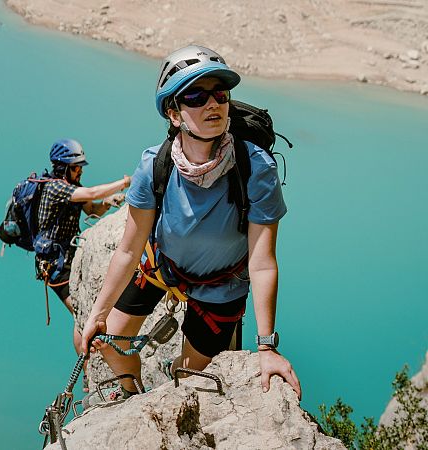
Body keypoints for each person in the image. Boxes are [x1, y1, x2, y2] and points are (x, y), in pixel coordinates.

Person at [79, 45, 301, 402]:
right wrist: (98, 314)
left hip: (220, 287)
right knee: (111, 343)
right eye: (196, 96)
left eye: (220, 94)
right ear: (174, 113)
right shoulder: (155, 166)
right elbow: (128, 249)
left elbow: (261, 262)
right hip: (161, 267)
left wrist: (266, 347)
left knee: (189, 379)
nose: (212, 104)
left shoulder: (255, 167)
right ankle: (131, 396)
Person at [37, 138, 130, 390]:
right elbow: (89, 195)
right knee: (83, 316)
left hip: (66, 260)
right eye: (77, 167)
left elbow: (91, 207)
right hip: (56, 265)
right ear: (63, 167)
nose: (81, 171)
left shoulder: (69, 186)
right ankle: (90, 374)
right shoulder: (56, 188)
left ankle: (89, 372)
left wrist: (109, 203)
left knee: (82, 315)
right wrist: (123, 183)